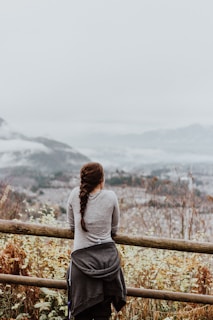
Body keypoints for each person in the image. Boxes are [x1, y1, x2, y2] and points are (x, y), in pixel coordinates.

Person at [67, 162, 126, 320]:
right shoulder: (111, 197)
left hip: (81, 265)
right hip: (106, 265)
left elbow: (72, 225)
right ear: (102, 180)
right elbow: (114, 229)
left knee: (80, 314)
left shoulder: (74, 195)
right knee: (102, 314)